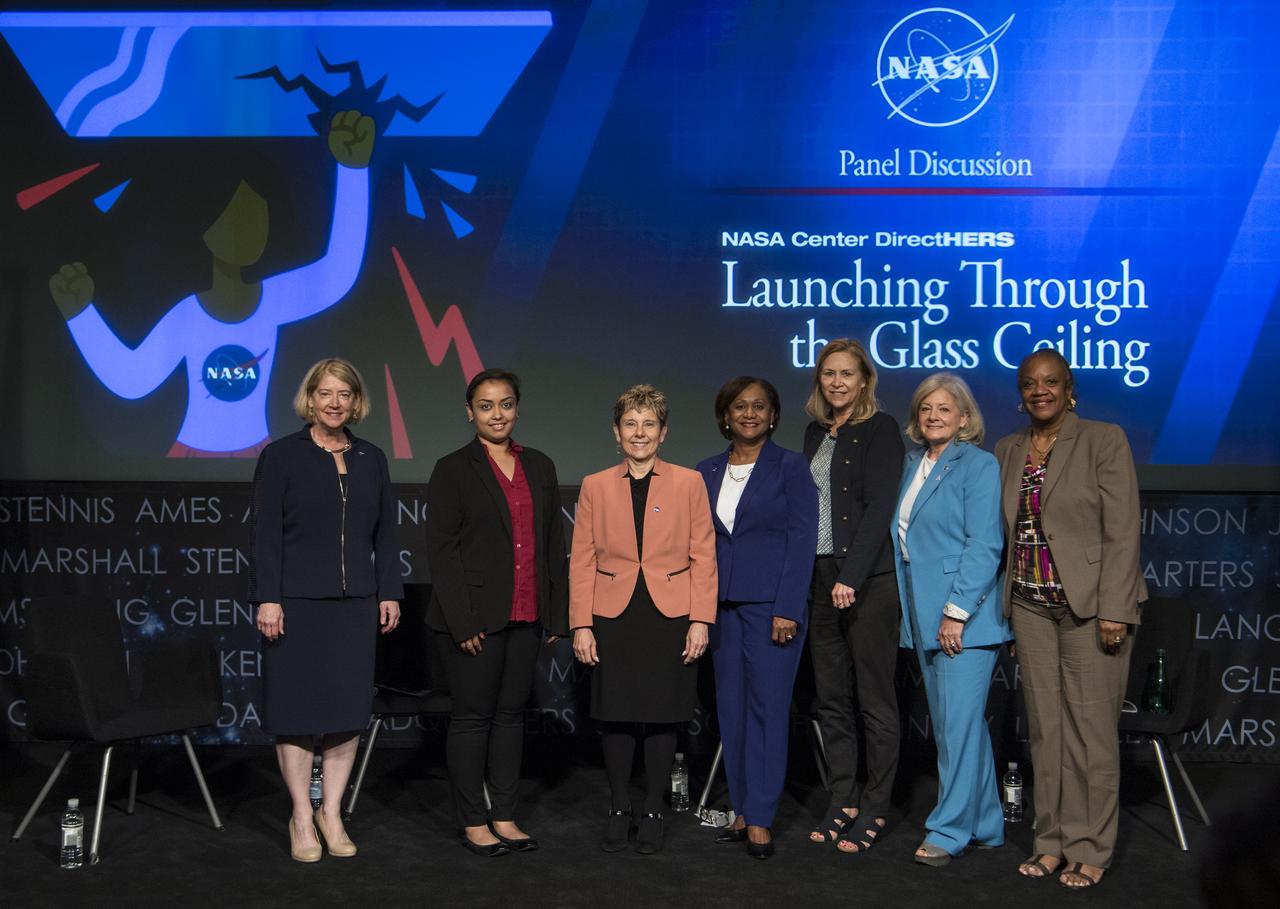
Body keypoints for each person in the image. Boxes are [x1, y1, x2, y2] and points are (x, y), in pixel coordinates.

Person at [50, 110, 374, 457]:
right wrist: (80, 315)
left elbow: (337, 273)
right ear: (204, 224)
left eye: (258, 214)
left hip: (261, 454)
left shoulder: (275, 299)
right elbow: (132, 379)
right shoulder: (187, 316)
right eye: (237, 215)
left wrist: (353, 171)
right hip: (190, 453)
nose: (251, 228)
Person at [995, 349, 1146, 890]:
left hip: (1090, 610)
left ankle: (1091, 847)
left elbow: (1123, 531)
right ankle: (1052, 843)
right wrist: (1007, 610)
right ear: (1021, 392)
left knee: (1092, 735)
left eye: (1051, 382)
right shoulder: (1008, 449)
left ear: (1070, 389)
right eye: (1031, 383)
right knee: (1046, 733)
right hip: (1031, 607)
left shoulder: (1104, 439)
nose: (1041, 390)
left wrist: (1114, 609)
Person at [249, 357, 402, 862]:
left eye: (344, 395)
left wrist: (388, 591)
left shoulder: (372, 458)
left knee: (345, 715)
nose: (335, 403)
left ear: (356, 402)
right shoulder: (281, 457)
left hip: (354, 605)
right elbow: (265, 534)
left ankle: (331, 813)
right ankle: (300, 815)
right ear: (309, 399)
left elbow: (386, 533)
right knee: (295, 715)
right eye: (325, 394)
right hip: (296, 604)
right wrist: (268, 597)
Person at [424, 368, 569, 857]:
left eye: (505, 404)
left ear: (517, 408)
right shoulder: (452, 468)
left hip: (528, 613)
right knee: (472, 719)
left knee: (510, 718)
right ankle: (472, 820)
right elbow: (441, 552)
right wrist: (463, 622)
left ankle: (504, 816)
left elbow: (552, 544)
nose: (497, 414)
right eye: (486, 406)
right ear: (470, 413)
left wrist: (556, 612)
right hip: (473, 620)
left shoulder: (541, 466)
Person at [570, 384, 717, 855]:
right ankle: (619, 806)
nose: (639, 433)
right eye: (630, 424)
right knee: (614, 714)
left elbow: (703, 556)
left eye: (649, 424)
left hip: (670, 613)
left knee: (660, 715)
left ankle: (653, 808)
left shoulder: (689, 482)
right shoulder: (594, 485)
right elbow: (581, 559)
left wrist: (701, 620)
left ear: (664, 432)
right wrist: (581, 624)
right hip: (612, 612)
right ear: (617, 432)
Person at [696, 377, 817, 859]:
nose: (749, 413)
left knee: (767, 711)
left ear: (773, 415)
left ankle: (762, 817)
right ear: (725, 415)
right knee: (731, 711)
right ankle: (742, 809)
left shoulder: (790, 467)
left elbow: (802, 539)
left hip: (773, 609)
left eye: (760, 406)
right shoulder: (704, 471)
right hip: (719, 608)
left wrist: (788, 607)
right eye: (740, 406)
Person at [891, 373, 1008, 866]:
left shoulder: (977, 464)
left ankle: (949, 829)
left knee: (957, 731)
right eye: (925, 409)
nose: (934, 416)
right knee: (959, 729)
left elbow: (984, 544)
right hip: (921, 617)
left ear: (964, 418)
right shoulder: (914, 463)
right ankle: (986, 823)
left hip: (963, 621)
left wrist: (956, 612)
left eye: (944, 408)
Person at [803, 339, 905, 854]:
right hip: (819, 578)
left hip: (866, 581)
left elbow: (879, 505)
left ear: (865, 379)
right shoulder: (814, 433)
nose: (837, 382)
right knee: (831, 699)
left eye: (847, 373)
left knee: (874, 699)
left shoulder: (881, 430)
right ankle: (841, 796)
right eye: (828, 373)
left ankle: (875, 806)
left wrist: (853, 575)